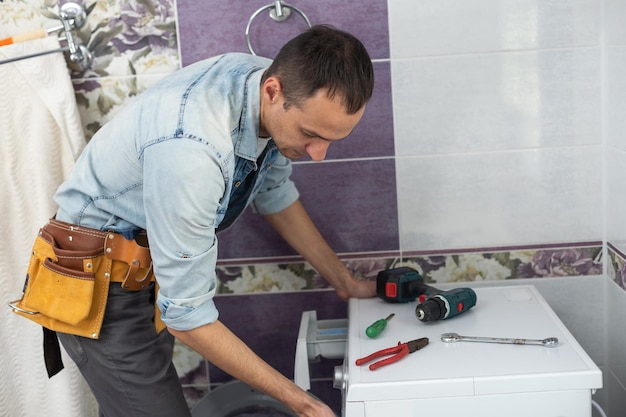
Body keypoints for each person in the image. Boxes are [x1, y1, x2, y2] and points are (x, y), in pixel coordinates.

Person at [52, 25, 375, 417]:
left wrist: (346, 283)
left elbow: (274, 194)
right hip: (97, 284)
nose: (318, 154)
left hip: (145, 268)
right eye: (310, 135)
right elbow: (188, 319)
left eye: (331, 139)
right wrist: (302, 403)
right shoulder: (192, 153)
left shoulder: (267, 84)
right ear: (273, 91)